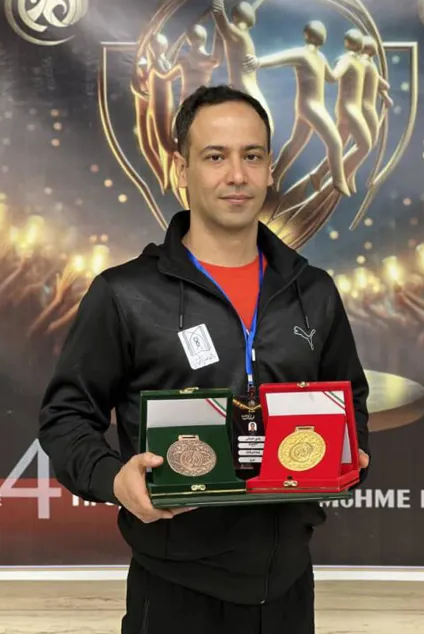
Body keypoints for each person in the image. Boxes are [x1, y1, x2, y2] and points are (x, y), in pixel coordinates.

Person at [38, 84, 371, 634]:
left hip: (288, 585)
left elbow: (349, 399)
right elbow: (65, 417)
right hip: (174, 589)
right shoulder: (125, 295)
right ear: (181, 170)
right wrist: (113, 479)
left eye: (252, 156)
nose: (237, 175)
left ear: (270, 170)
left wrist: (350, 453)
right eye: (215, 157)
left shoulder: (313, 291)